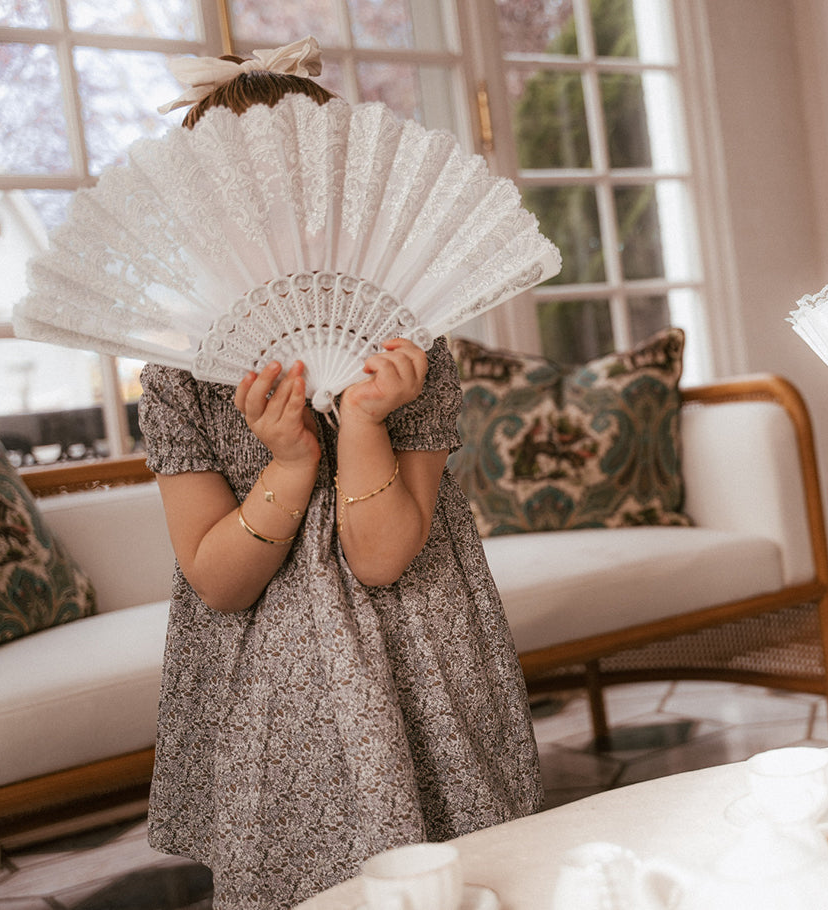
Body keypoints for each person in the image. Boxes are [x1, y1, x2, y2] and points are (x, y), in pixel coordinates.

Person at [139, 39, 542, 908]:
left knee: (457, 871)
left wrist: (361, 420)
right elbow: (217, 580)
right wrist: (288, 463)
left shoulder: (411, 343)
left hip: (418, 656)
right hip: (265, 684)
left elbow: (383, 558)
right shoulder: (177, 373)